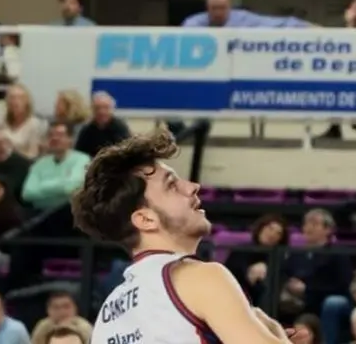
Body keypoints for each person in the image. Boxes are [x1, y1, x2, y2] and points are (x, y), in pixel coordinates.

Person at [72, 132, 295, 344]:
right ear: (145, 219)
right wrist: (272, 329)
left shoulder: (106, 315)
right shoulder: (200, 277)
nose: (192, 187)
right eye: (171, 185)